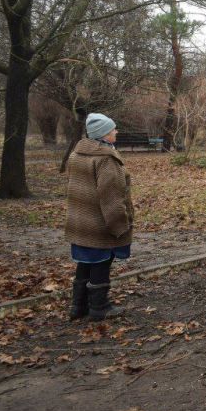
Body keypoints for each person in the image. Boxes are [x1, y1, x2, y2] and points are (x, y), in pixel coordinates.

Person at [65, 113, 133, 322]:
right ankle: (99, 307)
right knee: (101, 262)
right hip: (99, 224)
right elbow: (111, 198)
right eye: (113, 129)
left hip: (79, 222)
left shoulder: (77, 154)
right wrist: (120, 226)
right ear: (103, 134)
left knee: (84, 262)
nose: (116, 132)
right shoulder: (106, 159)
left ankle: (78, 306)